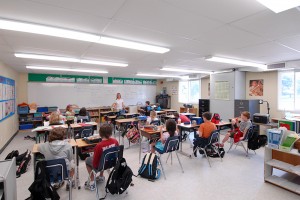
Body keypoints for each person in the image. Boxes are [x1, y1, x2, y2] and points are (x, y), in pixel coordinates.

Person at [84, 124, 119, 191]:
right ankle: (101, 177)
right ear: (111, 133)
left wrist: (95, 167)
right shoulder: (115, 141)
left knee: (87, 159)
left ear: (100, 134)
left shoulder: (99, 146)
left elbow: (95, 162)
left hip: (101, 165)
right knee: (104, 158)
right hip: (112, 163)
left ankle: (92, 182)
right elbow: (117, 152)